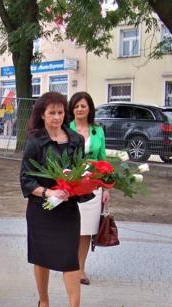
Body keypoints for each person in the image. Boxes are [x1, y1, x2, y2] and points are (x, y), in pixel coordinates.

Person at [20, 92, 88, 307]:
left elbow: (82, 170)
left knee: (71, 258)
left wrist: (79, 186)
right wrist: (49, 193)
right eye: (52, 113)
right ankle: (44, 301)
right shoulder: (35, 140)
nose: (57, 117)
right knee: (43, 257)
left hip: (67, 209)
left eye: (60, 112)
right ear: (42, 114)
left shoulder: (76, 140)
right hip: (42, 209)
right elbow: (26, 178)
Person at [68, 92, 110, 285]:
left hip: (93, 184)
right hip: (72, 182)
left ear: (89, 109)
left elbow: (103, 159)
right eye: (76, 106)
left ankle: (80, 269)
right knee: (71, 228)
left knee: (86, 229)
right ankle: (68, 265)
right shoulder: (66, 128)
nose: (79, 109)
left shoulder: (98, 131)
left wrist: (107, 187)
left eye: (83, 106)